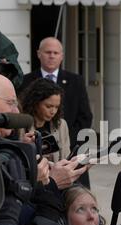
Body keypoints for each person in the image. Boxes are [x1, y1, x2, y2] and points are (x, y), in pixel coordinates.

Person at [19, 37, 92, 188]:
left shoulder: (76, 80)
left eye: (55, 52)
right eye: (48, 52)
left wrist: (62, 141)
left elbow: (85, 117)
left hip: (67, 152)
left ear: (62, 55)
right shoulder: (24, 81)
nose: (51, 56)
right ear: (38, 54)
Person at [20, 78, 71, 163]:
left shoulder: (61, 125)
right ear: (35, 103)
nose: (53, 111)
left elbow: (66, 157)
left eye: (56, 107)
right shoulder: (21, 125)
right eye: (48, 106)